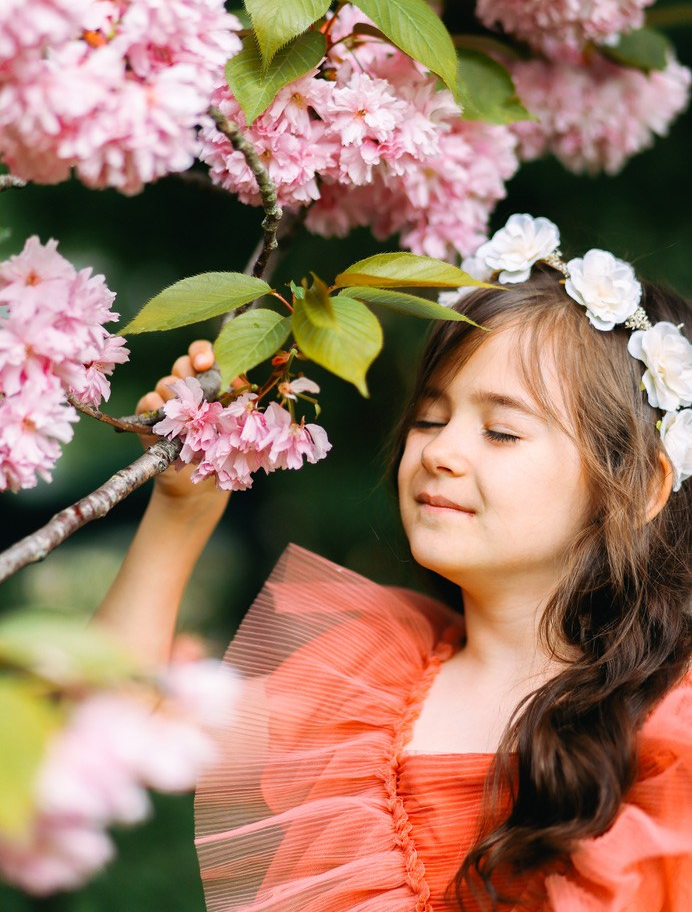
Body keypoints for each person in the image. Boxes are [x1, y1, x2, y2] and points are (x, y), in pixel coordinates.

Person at [95, 215, 692, 911]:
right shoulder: (360, 690)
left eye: (502, 431)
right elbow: (112, 735)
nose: (440, 453)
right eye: (431, 419)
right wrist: (179, 514)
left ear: (641, 486)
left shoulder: (669, 728)